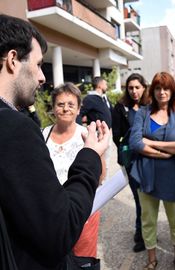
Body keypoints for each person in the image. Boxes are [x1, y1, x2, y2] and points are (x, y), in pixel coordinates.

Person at [0, 14, 109, 270]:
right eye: (38, 65)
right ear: (13, 60)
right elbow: (60, 230)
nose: (41, 77)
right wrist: (90, 154)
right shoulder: (15, 127)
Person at [129, 72, 175, 270]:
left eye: (166, 88)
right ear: (152, 91)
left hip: (173, 176)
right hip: (146, 174)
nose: (162, 92)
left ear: (173, 91)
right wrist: (167, 151)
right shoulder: (143, 113)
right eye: (157, 88)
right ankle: (151, 259)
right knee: (148, 220)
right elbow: (135, 143)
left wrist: (153, 143)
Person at [42, 82, 105, 259]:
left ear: (79, 110)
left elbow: (100, 175)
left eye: (71, 105)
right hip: (52, 209)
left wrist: (97, 152)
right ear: (53, 108)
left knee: (81, 259)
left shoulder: (87, 135)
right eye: (60, 104)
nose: (65, 109)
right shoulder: (42, 134)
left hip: (82, 208)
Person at [112, 73, 149, 253]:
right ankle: (142, 235)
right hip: (131, 161)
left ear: (144, 87)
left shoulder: (150, 106)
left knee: (149, 198)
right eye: (130, 88)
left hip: (150, 159)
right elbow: (116, 135)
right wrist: (127, 144)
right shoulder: (121, 107)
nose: (134, 91)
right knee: (139, 198)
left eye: (137, 87)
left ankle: (144, 230)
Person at [78, 76, 112, 181]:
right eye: (105, 83)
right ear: (100, 85)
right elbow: (79, 114)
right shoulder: (90, 99)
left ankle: (103, 183)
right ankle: (97, 184)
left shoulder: (104, 98)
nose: (107, 86)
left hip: (107, 134)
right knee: (98, 161)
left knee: (106, 161)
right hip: (98, 135)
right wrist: (79, 130)